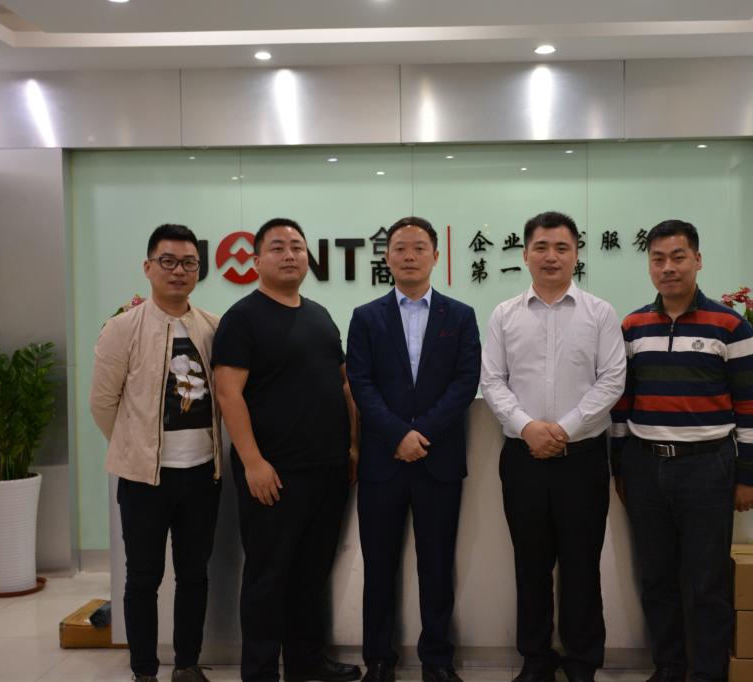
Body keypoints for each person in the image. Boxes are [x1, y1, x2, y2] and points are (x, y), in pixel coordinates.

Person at [609, 219, 753, 682]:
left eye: (678, 257)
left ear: (697, 260)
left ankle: (707, 674)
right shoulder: (633, 326)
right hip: (645, 466)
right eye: (658, 259)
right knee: (657, 579)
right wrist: (620, 467)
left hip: (707, 468)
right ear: (649, 265)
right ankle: (669, 669)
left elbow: (751, 405)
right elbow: (622, 403)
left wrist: (747, 476)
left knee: (706, 583)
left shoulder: (730, 325)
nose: (668, 268)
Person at [212, 218, 362, 682]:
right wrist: (253, 462)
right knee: (268, 576)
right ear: (257, 260)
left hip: (329, 469)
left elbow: (343, 383)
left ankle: (306, 661)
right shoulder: (242, 318)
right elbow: (228, 394)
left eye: (297, 246)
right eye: (278, 247)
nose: (290, 254)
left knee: (311, 573)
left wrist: (352, 446)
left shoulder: (319, 314)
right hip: (274, 473)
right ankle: (260, 671)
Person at [480, 211, 626, 682]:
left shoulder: (600, 313)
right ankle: (536, 660)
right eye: (541, 247)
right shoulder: (504, 315)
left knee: (582, 565)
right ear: (525, 254)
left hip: (582, 459)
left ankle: (582, 663)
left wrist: (562, 429)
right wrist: (527, 428)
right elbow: (492, 381)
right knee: (531, 565)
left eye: (562, 248)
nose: (551, 256)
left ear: (576, 254)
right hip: (522, 460)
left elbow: (612, 381)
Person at [346, 216, 481, 682]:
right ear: (387, 257)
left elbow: (465, 382)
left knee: (437, 566)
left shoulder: (459, 316)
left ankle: (437, 660)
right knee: (379, 567)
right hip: (382, 463)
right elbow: (361, 383)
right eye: (400, 248)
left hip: (437, 460)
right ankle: (379, 660)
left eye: (419, 248)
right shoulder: (366, 317)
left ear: (435, 256)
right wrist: (396, 435)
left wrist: (420, 433)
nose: (409, 256)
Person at [91, 223, 221, 682]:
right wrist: (136, 446)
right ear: (148, 267)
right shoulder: (122, 328)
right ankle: (144, 670)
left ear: (198, 270)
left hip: (203, 472)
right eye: (168, 261)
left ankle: (187, 664)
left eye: (188, 263)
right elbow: (102, 403)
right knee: (144, 577)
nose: (178, 271)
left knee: (194, 574)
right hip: (145, 478)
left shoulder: (211, 327)